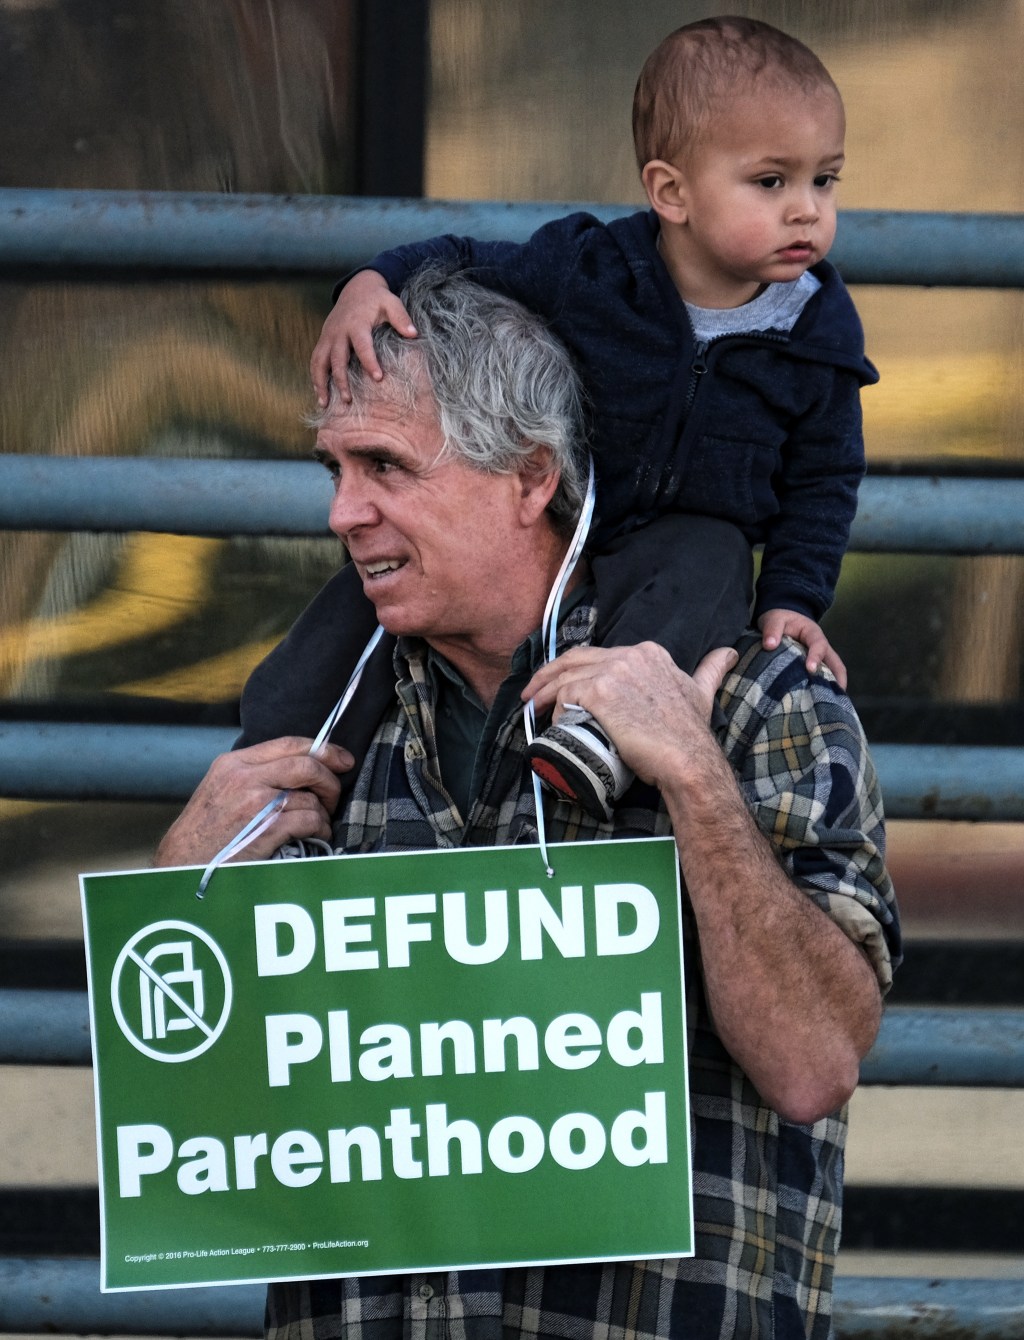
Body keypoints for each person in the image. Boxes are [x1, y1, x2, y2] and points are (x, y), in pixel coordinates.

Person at [156, 269, 900, 1340]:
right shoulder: (317, 739)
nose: (341, 511)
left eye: (384, 467)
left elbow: (813, 1062)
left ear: (528, 478)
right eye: (334, 468)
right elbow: (211, 1122)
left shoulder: (752, 701)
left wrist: (692, 778)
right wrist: (185, 890)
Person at [308, 15, 878, 823]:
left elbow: (825, 475)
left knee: (710, 557)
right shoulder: (593, 269)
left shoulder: (818, 330)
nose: (806, 213)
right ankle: (289, 752)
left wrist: (794, 595)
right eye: (770, 182)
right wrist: (373, 279)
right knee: (352, 605)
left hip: (682, 544)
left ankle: (595, 736)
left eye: (825, 181)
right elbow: (470, 256)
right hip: (567, 522)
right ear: (670, 191)